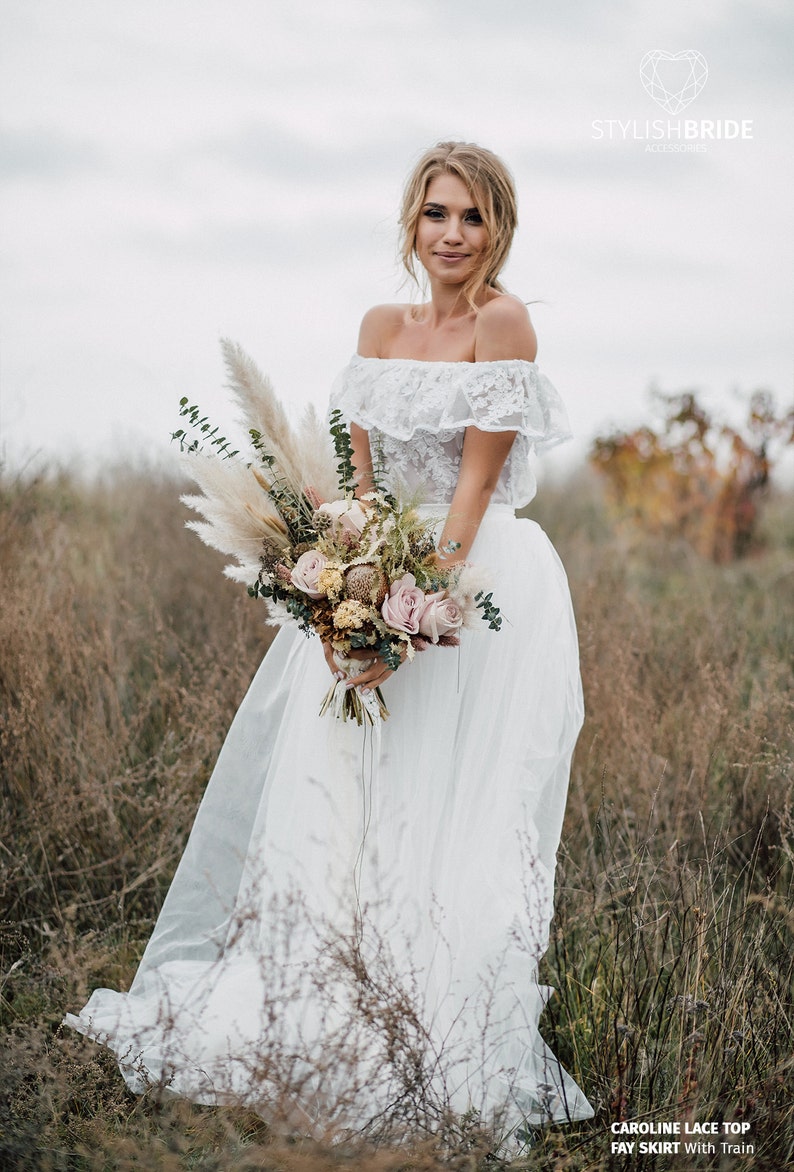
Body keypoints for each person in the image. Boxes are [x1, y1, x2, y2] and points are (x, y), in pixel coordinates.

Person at [65, 141, 594, 1151]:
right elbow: (358, 485)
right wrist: (342, 581)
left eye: (472, 218)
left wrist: (408, 616)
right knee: (346, 789)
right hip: (375, 567)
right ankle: (324, 996)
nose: (451, 234)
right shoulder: (377, 326)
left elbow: (472, 492)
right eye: (435, 213)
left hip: (473, 584)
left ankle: (430, 1009)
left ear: (499, 229)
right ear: (410, 220)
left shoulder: (502, 321)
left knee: (449, 801)